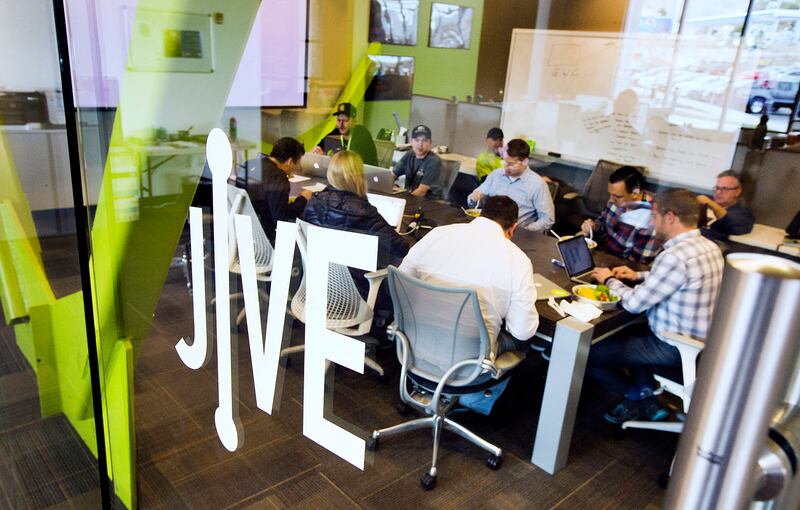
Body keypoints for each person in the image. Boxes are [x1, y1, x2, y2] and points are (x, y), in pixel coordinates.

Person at [588, 188, 724, 424]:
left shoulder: (675, 256)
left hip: (671, 345)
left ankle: (634, 396)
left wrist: (608, 279)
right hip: (699, 342)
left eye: (654, 216)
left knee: (588, 351)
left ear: (670, 217)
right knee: (627, 335)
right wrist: (638, 276)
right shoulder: (709, 247)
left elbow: (633, 304)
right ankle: (648, 397)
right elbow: (678, 279)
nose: (652, 223)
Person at [399, 195, 539, 415]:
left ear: (481, 214)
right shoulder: (517, 260)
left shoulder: (437, 234)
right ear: (512, 229)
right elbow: (523, 331)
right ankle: (476, 401)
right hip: (467, 368)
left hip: (414, 348)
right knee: (524, 342)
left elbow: (403, 282)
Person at [302, 150, 409, 313]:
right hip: (356, 295)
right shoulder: (366, 214)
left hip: (318, 286)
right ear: (359, 176)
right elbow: (402, 249)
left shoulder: (313, 202)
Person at [467, 138, 555, 233]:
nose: (506, 167)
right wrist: (474, 199)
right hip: (488, 230)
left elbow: (547, 219)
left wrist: (525, 231)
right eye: (504, 162)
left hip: (516, 234)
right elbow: (474, 203)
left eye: (511, 164)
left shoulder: (537, 184)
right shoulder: (496, 175)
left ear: (525, 162)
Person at [581, 166, 662, 264]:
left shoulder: (651, 218)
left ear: (635, 193)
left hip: (622, 264)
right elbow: (603, 223)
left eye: (617, 196)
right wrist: (594, 227)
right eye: (611, 194)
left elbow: (639, 263)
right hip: (603, 251)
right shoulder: (616, 199)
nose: (611, 200)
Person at [239, 137, 312, 244]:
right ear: (290, 161)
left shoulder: (248, 164)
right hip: (266, 238)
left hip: (243, 233)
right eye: (297, 163)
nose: (296, 168)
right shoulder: (278, 177)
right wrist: (303, 199)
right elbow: (281, 219)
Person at [312, 102, 378, 165]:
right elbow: (319, 148)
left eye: (345, 120)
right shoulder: (336, 132)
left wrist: (325, 157)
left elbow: (349, 164)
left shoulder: (361, 133)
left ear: (354, 121)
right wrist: (317, 151)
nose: (341, 124)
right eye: (338, 120)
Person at [698, 170, 755, 241]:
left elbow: (730, 223)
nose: (718, 192)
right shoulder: (709, 202)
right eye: (717, 188)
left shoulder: (743, 214)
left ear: (737, 192)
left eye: (725, 189)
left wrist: (713, 205)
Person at [392, 124, 444, 198]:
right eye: (416, 140)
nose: (420, 144)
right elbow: (393, 175)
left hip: (428, 201)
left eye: (424, 141)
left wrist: (404, 199)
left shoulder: (434, 162)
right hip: (411, 196)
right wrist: (390, 185)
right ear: (411, 142)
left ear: (430, 143)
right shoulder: (409, 155)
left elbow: (422, 191)